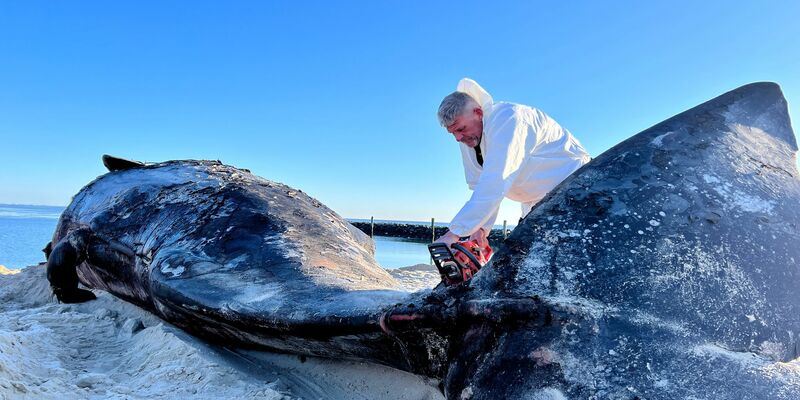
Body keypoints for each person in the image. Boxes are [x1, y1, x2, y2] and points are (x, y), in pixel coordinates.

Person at [434, 78, 591, 248]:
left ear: (478, 112)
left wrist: (454, 233)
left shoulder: (508, 119)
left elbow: (496, 180)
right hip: (535, 202)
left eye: (460, 129)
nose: (458, 138)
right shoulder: (469, 138)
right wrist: (481, 228)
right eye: (452, 133)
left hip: (577, 188)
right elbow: (481, 186)